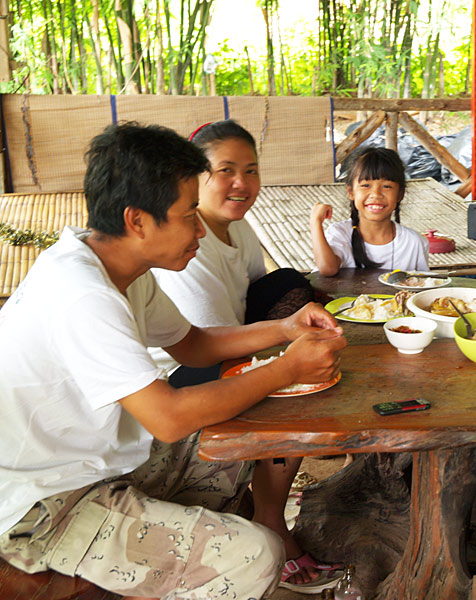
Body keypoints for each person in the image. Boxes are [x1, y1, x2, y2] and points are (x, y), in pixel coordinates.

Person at [0, 123, 347, 600]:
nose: (200, 229)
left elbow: (194, 344)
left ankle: (161, 571)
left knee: (247, 433)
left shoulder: (120, 265)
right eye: (189, 215)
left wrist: (285, 330)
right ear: (137, 220)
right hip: (40, 502)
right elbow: (168, 418)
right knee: (256, 556)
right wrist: (286, 368)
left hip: (94, 464)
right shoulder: (81, 294)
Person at [150, 119, 338, 593]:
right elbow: (202, 341)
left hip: (212, 342)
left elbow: (260, 293)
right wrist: (282, 365)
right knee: (290, 387)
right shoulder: (183, 247)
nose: (242, 183)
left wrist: (289, 329)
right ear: (194, 178)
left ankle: (266, 502)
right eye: (225, 170)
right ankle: (270, 516)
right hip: (177, 375)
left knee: (292, 284)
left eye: (251, 170)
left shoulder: (240, 228)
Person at [310, 147, 429, 275]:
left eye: (387, 186)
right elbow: (328, 269)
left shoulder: (414, 243)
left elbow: (423, 286)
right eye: (366, 185)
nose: (376, 194)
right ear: (351, 192)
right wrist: (315, 222)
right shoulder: (340, 233)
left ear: (400, 194)